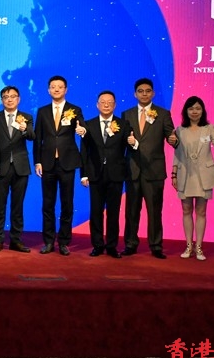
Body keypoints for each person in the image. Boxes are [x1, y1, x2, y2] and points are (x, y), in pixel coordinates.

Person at [122, 78, 178, 259]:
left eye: (147, 91)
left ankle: (156, 246)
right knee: (131, 211)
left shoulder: (163, 114)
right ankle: (130, 244)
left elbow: (171, 136)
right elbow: (121, 141)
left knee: (154, 211)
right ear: (135, 94)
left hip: (154, 171)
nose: (144, 94)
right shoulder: (126, 114)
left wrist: (174, 140)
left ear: (153, 93)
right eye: (140, 91)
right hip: (132, 170)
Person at [33, 75, 86, 256]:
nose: (56, 89)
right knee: (48, 204)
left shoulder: (75, 109)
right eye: (53, 87)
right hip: (47, 163)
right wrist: (37, 161)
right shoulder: (42, 111)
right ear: (48, 90)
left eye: (60, 87)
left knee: (67, 204)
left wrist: (82, 130)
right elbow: (38, 138)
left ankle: (63, 241)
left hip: (67, 163)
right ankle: (48, 241)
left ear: (66, 90)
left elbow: (82, 128)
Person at [171, 96, 214, 261]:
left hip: (204, 176)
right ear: (186, 111)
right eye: (191, 109)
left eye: (197, 108)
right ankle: (189, 246)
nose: (194, 112)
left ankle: (199, 247)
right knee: (186, 210)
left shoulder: (209, 128)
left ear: (202, 111)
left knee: (201, 211)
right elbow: (177, 154)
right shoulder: (180, 130)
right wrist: (174, 174)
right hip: (185, 175)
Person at [79, 91, 132, 259]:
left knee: (113, 213)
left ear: (115, 105)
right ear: (97, 105)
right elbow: (84, 151)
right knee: (96, 212)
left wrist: (134, 142)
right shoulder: (88, 125)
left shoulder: (123, 124)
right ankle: (97, 245)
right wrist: (84, 174)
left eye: (110, 102)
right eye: (103, 102)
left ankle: (111, 246)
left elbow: (129, 147)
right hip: (95, 174)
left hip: (116, 174)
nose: (106, 104)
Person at [0, 86, 35, 253]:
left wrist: (24, 129)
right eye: (6, 97)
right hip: (0, 168)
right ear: (2, 100)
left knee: (18, 206)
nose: (9, 99)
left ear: (18, 99)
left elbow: (32, 136)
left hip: (20, 168)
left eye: (13, 96)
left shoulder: (26, 117)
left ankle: (16, 240)